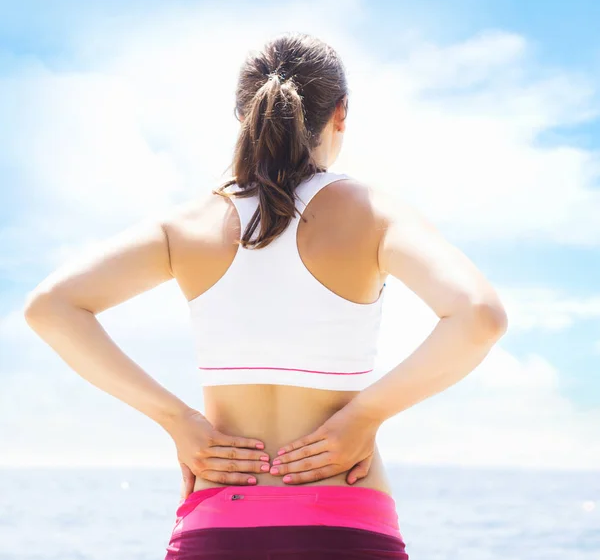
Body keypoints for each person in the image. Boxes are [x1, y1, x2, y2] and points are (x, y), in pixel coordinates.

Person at [24, 32, 508, 559]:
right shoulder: (375, 214)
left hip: (217, 524)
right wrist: (364, 417)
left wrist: (178, 422)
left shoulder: (186, 225)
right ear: (340, 113)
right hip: (347, 522)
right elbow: (479, 316)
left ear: (242, 115)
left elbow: (51, 307)